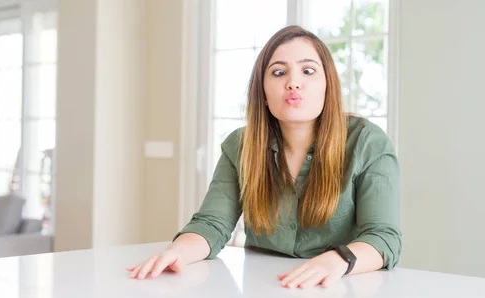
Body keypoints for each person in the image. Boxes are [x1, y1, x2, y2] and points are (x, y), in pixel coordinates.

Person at [127, 25, 401, 289]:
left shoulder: (367, 141)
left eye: (308, 71)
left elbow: (383, 237)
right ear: (264, 94)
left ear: (327, 87)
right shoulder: (240, 145)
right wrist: (178, 253)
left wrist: (336, 260)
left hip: (341, 286)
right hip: (264, 286)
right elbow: (212, 224)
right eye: (279, 72)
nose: (293, 83)